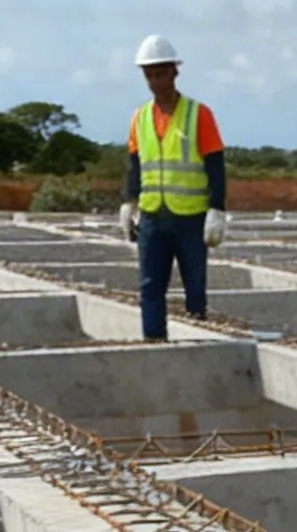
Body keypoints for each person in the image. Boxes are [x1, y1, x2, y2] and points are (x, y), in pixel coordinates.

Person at [118, 33, 228, 341]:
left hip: (190, 216)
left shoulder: (198, 114)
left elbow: (215, 165)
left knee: (195, 284)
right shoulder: (140, 118)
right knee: (150, 286)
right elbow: (135, 164)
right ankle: (154, 341)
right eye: (149, 75)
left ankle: (200, 339)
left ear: (173, 72)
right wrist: (129, 202)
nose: (154, 81)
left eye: (160, 73)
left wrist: (217, 209)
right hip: (153, 215)